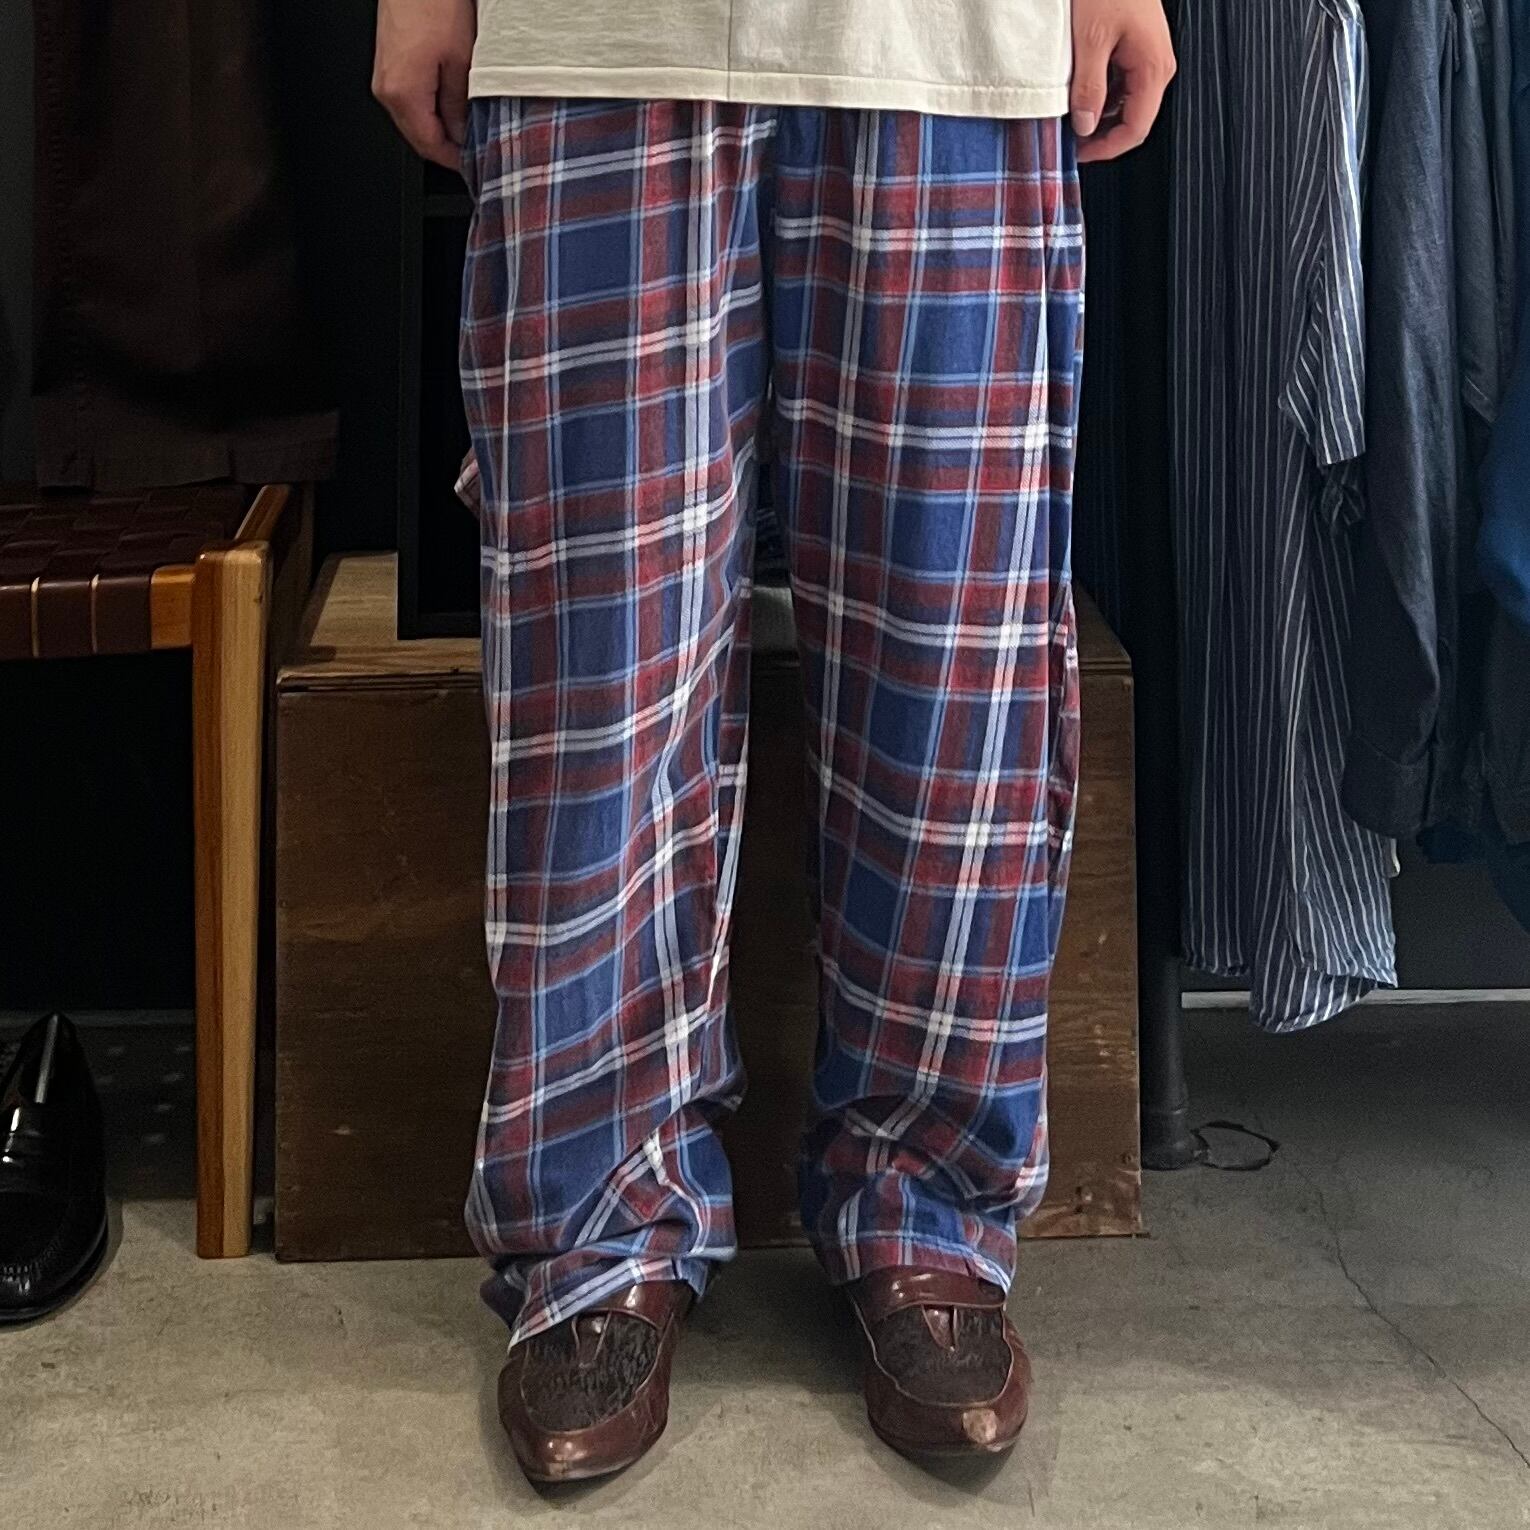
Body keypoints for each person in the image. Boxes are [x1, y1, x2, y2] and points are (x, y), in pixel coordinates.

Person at [374, 0, 1174, 1484]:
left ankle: (929, 1210)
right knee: (596, 674)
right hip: (599, 43)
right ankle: (597, 1233)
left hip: (956, 49)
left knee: (955, 660)